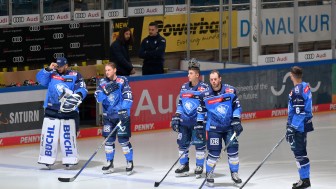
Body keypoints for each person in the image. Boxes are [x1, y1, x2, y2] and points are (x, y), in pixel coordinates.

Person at [36, 57, 88, 169]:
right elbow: (41, 80)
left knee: (68, 136)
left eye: (60, 66)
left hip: (69, 111)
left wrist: (78, 95)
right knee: (50, 135)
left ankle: (70, 159)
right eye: (57, 66)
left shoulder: (75, 74)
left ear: (66, 65)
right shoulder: (51, 73)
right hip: (51, 109)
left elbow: (83, 88)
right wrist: (48, 69)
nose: (58, 68)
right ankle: (47, 158)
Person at [198, 70, 243, 187]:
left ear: (220, 79)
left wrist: (236, 120)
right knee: (214, 153)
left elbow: (237, 107)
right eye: (211, 80)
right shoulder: (205, 95)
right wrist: (198, 126)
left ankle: (234, 173)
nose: (213, 82)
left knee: (233, 151)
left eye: (215, 79)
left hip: (229, 128)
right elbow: (201, 112)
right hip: (213, 128)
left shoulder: (230, 91)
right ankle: (209, 174)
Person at [171, 59, 209, 179]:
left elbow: (206, 106)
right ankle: (184, 165)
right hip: (184, 122)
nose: (188, 75)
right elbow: (181, 104)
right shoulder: (184, 87)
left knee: (199, 144)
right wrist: (177, 116)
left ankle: (199, 166)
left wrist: (202, 120)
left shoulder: (204, 88)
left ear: (197, 75)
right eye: (188, 73)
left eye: (191, 73)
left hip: (197, 122)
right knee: (182, 144)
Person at [94, 62, 134, 175]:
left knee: (123, 141)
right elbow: (98, 98)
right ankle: (109, 162)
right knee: (108, 141)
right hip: (108, 117)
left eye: (109, 70)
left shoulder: (122, 80)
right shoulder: (102, 83)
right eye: (105, 70)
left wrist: (123, 110)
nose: (107, 72)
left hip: (121, 117)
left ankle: (129, 162)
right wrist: (105, 92)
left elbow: (128, 97)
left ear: (115, 70)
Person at [286, 66, 313, 189]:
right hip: (302, 125)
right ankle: (304, 178)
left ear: (292, 75)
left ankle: (305, 180)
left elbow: (299, 113)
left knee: (299, 153)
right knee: (300, 153)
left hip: (299, 127)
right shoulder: (305, 86)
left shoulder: (297, 90)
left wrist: (292, 128)